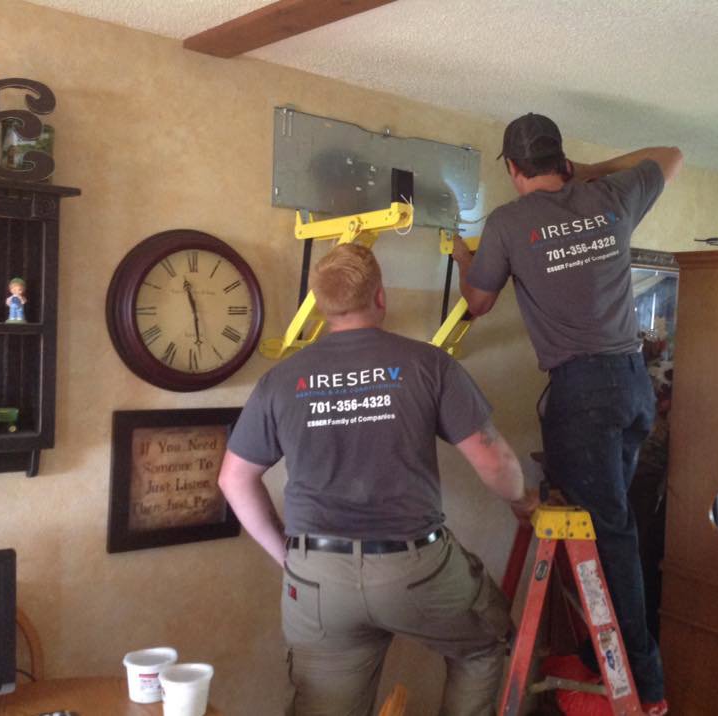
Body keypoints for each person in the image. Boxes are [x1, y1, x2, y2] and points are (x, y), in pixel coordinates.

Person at [219, 243, 538, 716]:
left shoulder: (280, 380)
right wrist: (521, 498)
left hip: (319, 580)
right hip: (415, 570)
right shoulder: (429, 364)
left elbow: (233, 480)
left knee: (325, 707)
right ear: (381, 297)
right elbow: (494, 461)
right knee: (483, 645)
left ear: (322, 307)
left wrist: (287, 558)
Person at [452, 113, 683, 715]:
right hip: (634, 386)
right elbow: (671, 151)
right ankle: (591, 652)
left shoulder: (507, 223)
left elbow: (476, 305)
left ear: (511, 169)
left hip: (582, 395)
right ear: (560, 159)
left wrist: (459, 253)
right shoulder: (609, 196)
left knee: (611, 538)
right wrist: (592, 171)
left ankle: (647, 688)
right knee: (603, 524)